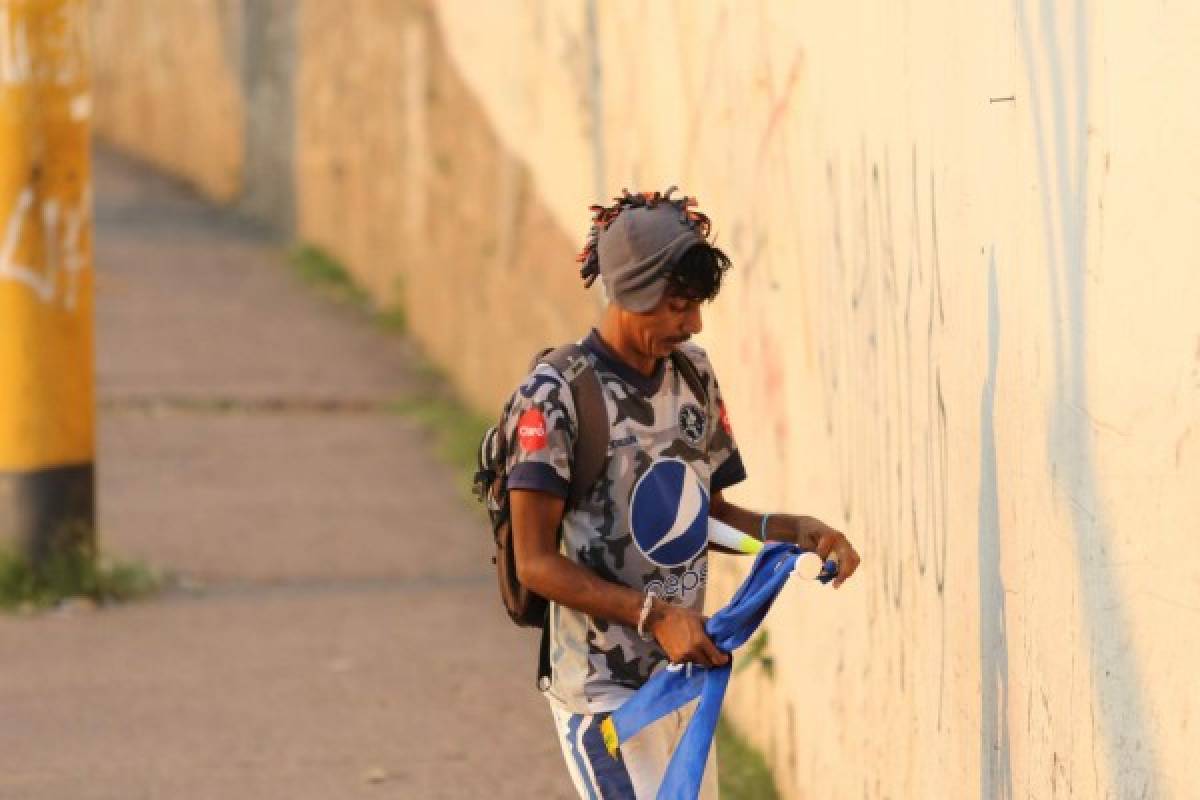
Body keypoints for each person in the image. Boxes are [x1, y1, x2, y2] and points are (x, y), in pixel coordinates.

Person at [502, 188, 861, 798]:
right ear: (630, 292)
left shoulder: (693, 372)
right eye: (676, 306)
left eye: (695, 307)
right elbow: (534, 563)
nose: (691, 323)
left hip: (680, 675)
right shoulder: (555, 395)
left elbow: (706, 514)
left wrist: (795, 531)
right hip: (604, 694)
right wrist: (655, 615)